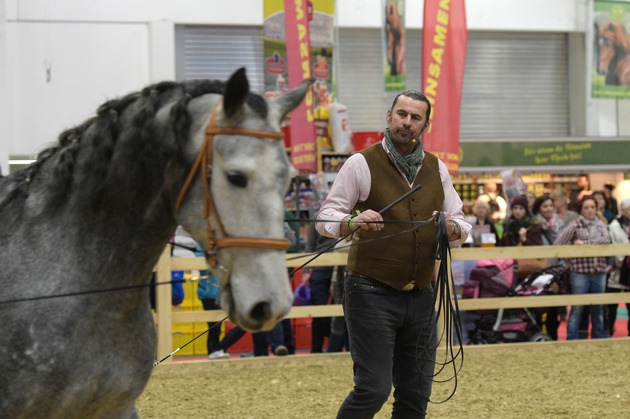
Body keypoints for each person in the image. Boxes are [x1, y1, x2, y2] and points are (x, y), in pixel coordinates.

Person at [316, 89, 470, 418]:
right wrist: (352, 220)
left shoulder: (437, 169)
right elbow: (325, 217)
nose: (407, 122)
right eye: (402, 114)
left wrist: (450, 228)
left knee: (416, 394)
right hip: (370, 291)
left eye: (416, 118)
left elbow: (461, 222)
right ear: (389, 116)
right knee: (374, 388)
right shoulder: (360, 163)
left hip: (421, 295)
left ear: (425, 125)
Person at [554, 195, 612, 340]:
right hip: (580, 272)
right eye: (586, 208)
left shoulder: (601, 224)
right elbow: (558, 243)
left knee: (598, 307)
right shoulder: (575, 225)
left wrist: (585, 244)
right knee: (577, 308)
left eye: (592, 207)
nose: (590, 210)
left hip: (599, 271)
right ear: (581, 210)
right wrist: (573, 248)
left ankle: (599, 336)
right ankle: (572, 337)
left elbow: (607, 239)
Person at [304, 223, 337, 353]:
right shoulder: (318, 217)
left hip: (341, 269)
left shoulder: (349, 212)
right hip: (320, 269)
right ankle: (316, 349)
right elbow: (310, 245)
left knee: (343, 312)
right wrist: (306, 271)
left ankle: (337, 347)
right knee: (318, 311)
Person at [606, 198, 630, 337]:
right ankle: (608, 332)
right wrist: (618, 260)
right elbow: (612, 243)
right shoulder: (614, 225)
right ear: (624, 210)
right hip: (617, 270)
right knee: (611, 305)